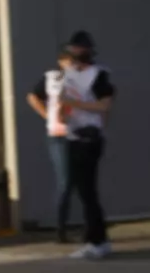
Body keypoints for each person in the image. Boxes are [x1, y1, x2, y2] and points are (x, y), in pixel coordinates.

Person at [27, 31, 117, 258]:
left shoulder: (98, 76)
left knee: (87, 191)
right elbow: (53, 104)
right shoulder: (64, 77)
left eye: (76, 54)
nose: (72, 60)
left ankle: (95, 242)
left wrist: (74, 104)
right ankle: (98, 239)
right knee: (83, 190)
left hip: (88, 138)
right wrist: (59, 114)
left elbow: (104, 106)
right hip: (73, 136)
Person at [26, 47, 77, 242]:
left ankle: (90, 228)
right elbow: (32, 96)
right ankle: (60, 230)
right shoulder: (53, 78)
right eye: (68, 61)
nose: (72, 64)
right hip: (59, 135)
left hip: (79, 135)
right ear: (61, 61)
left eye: (75, 61)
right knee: (64, 182)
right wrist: (47, 116)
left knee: (80, 183)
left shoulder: (84, 79)